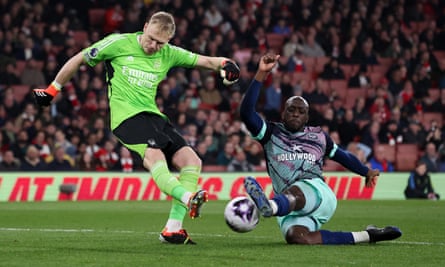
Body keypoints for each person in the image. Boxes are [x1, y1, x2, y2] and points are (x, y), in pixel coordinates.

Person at [32, 11, 240, 245]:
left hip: (153, 116)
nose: (153, 46)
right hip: (126, 118)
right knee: (154, 156)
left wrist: (225, 64)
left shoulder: (169, 54)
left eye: (160, 43)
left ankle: (173, 228)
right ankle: (188, 197)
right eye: (150, 38)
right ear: (144, 27)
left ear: (169, 41)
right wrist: (52, 89)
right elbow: (79, 58)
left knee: (192, 161)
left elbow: (205, 61)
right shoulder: (119, 43)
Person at [239, 53, 402, 245]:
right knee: (297, 238)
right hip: (289, 204)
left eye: (301, 111)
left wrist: (365, 171)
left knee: (295, 191)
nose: (295, 114)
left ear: (307, 118)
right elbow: (247, 113)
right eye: (291, 110)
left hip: (317, 193)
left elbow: (342, 155)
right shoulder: (271, 133)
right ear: (283, 113)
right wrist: (261, 74)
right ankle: (369, 235)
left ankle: (270, 206)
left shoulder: (318, 136)